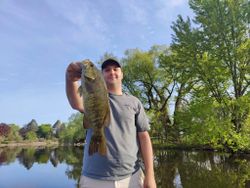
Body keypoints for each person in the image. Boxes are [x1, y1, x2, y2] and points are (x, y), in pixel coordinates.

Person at [66, 58, 156, 188]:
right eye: (107, 70)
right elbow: (76, 103)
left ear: (122, 74)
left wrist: (150, 175)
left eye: (115, 69)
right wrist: (70, 79)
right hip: (94, 178)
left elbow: (144, 138)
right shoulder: (92, 92)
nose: (111, 72)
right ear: (100, 75)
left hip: (132, 176)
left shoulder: (134, 102)